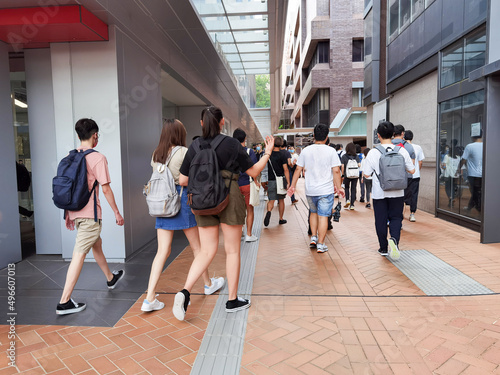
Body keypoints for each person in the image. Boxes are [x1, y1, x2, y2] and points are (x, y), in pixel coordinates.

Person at [172, 106, 274, 320]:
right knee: (232, 251)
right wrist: (267, 153)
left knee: (206, 251)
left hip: (202, 201)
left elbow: (182, 180)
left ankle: (184, 291)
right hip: (229, 198)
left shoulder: (195, 146)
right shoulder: (231, 144)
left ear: (202, 123)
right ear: (222, 122)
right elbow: (254, 172)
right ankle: (232, 300)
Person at [142, 119, 224, 312]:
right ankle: (207, 284)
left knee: (162, 252)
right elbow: (190, 179)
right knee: (198, 248)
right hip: (181, 203)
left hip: (163, 205)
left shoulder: (156, 154)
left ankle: (149, 298)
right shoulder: (184, 152)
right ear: (180, 133)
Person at [56, 119, 125, 315]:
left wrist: (69, 215)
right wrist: (117, 213)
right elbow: (106, 188)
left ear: (79, 136)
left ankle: (110, 278)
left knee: (97, 243)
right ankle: (64, 301)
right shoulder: (97, 158)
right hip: (90, 215)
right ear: (95, 135)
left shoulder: (71, 157)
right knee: (79, 254)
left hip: (75, 212)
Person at [288, 124, 345, 253]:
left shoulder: (306, 150)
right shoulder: (331, 151)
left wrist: (292, 186)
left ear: (314, 136)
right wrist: (339, 187)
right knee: (323, 216)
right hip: (326, 190)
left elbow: (298, 169)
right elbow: (336, 171)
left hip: (310, 190)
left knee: (313, 213)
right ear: (326, 137)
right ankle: (321, 244)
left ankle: (313, 238)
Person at [362, 121, 415, 258]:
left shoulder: (373, 152)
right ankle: (394, 241)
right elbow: (412, 170)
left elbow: (367, 174)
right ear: (393, 134)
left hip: (380, 193)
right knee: (396, 218)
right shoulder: (401, 150)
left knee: (380, 219)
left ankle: (383, 248)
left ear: (378, 135)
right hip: (397, 191)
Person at [233, 128, 260, 242]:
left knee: (238, 211)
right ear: (245, 138)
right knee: (249, 209)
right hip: (247, 184)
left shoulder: (230, 152)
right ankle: (249, 234)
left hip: (234, 185)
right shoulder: (249, 152)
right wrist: (256, 181)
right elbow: (253, 168)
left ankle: (239, 234)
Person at [264, 137, 290, 226]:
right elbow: (286, 169)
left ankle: (268, 212)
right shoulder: (282, 155)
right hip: (280, 180)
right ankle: (281, 218)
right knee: (281, 200)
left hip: (271, 180)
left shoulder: (268, 154)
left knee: (271, 200)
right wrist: (288, 182)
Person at [403, 130, 425, 222]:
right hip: (415, 175)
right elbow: (420, 162)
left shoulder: (402, 147)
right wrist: (416, 171)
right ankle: (412, 214)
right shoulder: (418, 147)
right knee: (414, 194)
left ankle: (401, 213)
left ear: (403, 137)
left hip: (404, 176)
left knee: (402, 194)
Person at [461, 131, 483, 212]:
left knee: (475, 192)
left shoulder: (469, 146)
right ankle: (470, 207)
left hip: (473, 174)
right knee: (477, 192)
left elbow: (463, 159)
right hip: (483, 174)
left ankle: (479, 209)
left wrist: (458, 168)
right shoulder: (486, 145)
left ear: (472, 136)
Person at [341, 142, 361, 210]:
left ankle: (347, 200)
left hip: (347, 175)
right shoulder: (356, 156)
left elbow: (342, 166)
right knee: (353, 188)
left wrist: (343, 174)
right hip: (355, 175)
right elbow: (359, 165)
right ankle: (352, 205)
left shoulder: (344, 156)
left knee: (346, 187)